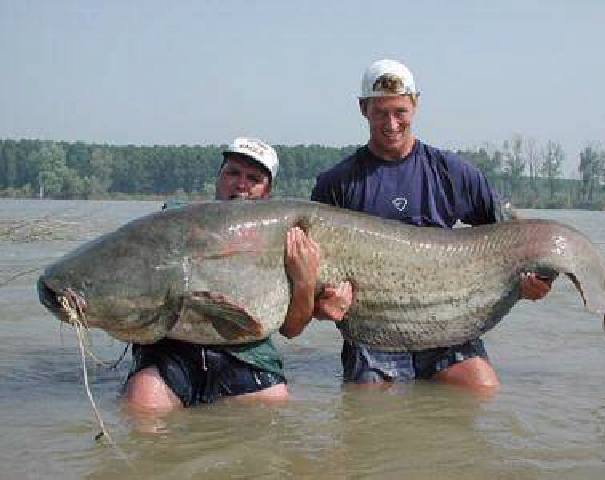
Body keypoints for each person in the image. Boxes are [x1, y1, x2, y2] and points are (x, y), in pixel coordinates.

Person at [310, 59, 553, 391]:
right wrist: (323, 305)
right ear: (363, 109)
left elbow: (516, 237)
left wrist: (531, 281)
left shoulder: (452, 172)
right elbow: (310, 275)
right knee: (366, 415)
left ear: (416, 104)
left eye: (400, 111)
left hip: (448, 327)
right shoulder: (336, 185)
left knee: (483, 389)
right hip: (374, 331)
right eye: (380, 112)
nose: (391, 123)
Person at [124, 137, 350, 411]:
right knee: (143, 403)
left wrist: (304, 280)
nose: (241, 184)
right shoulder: (176, 219)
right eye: (233, 173)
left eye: (253, 178)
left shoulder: (292, 241)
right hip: (175, 351)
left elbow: (292, 329)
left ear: (267, 193)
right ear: (219, 178)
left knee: (275, 404)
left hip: (248, 354)